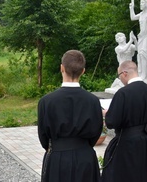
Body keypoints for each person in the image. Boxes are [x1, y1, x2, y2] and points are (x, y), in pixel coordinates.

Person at [37, 50, 103, 182]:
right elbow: (97, 131)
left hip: (58, 158)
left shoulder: (46, 101)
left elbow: (43, 135)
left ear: (62, 68)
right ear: (83, 71)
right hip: (85, 157)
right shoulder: (93, 101)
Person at [102, 60, 147, 182]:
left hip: (127, 143)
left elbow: (112, 122)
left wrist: (108, 114)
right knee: (144, 174)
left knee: (126, 175)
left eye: (119, 76)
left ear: (124, 73)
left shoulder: (123, 93)